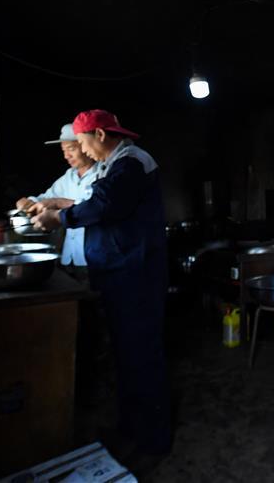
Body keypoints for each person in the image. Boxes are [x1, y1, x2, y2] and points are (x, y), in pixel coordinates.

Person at [31, 109, 170, 457]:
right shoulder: (113, 165)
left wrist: (60, 218)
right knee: (126, 355)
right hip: (118, 271)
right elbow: (97, 202)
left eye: (81, 142)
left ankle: (152, 440)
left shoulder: (131, 162)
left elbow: (105, 205)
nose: (81, 150)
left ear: (101, 135)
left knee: (140, 355)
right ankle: (130, 427)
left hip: (134, 275)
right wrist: (59, 207)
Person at [16, 123, 99, 280]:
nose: (66, 156)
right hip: (69, 255)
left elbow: (97, 207)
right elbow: (46, 198)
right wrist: (29, 202)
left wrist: (59, 202)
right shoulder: (69, 176)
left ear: (85, 145)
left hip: (95, 255)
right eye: (63, 150)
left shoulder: (104, 173)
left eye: (71, 149)